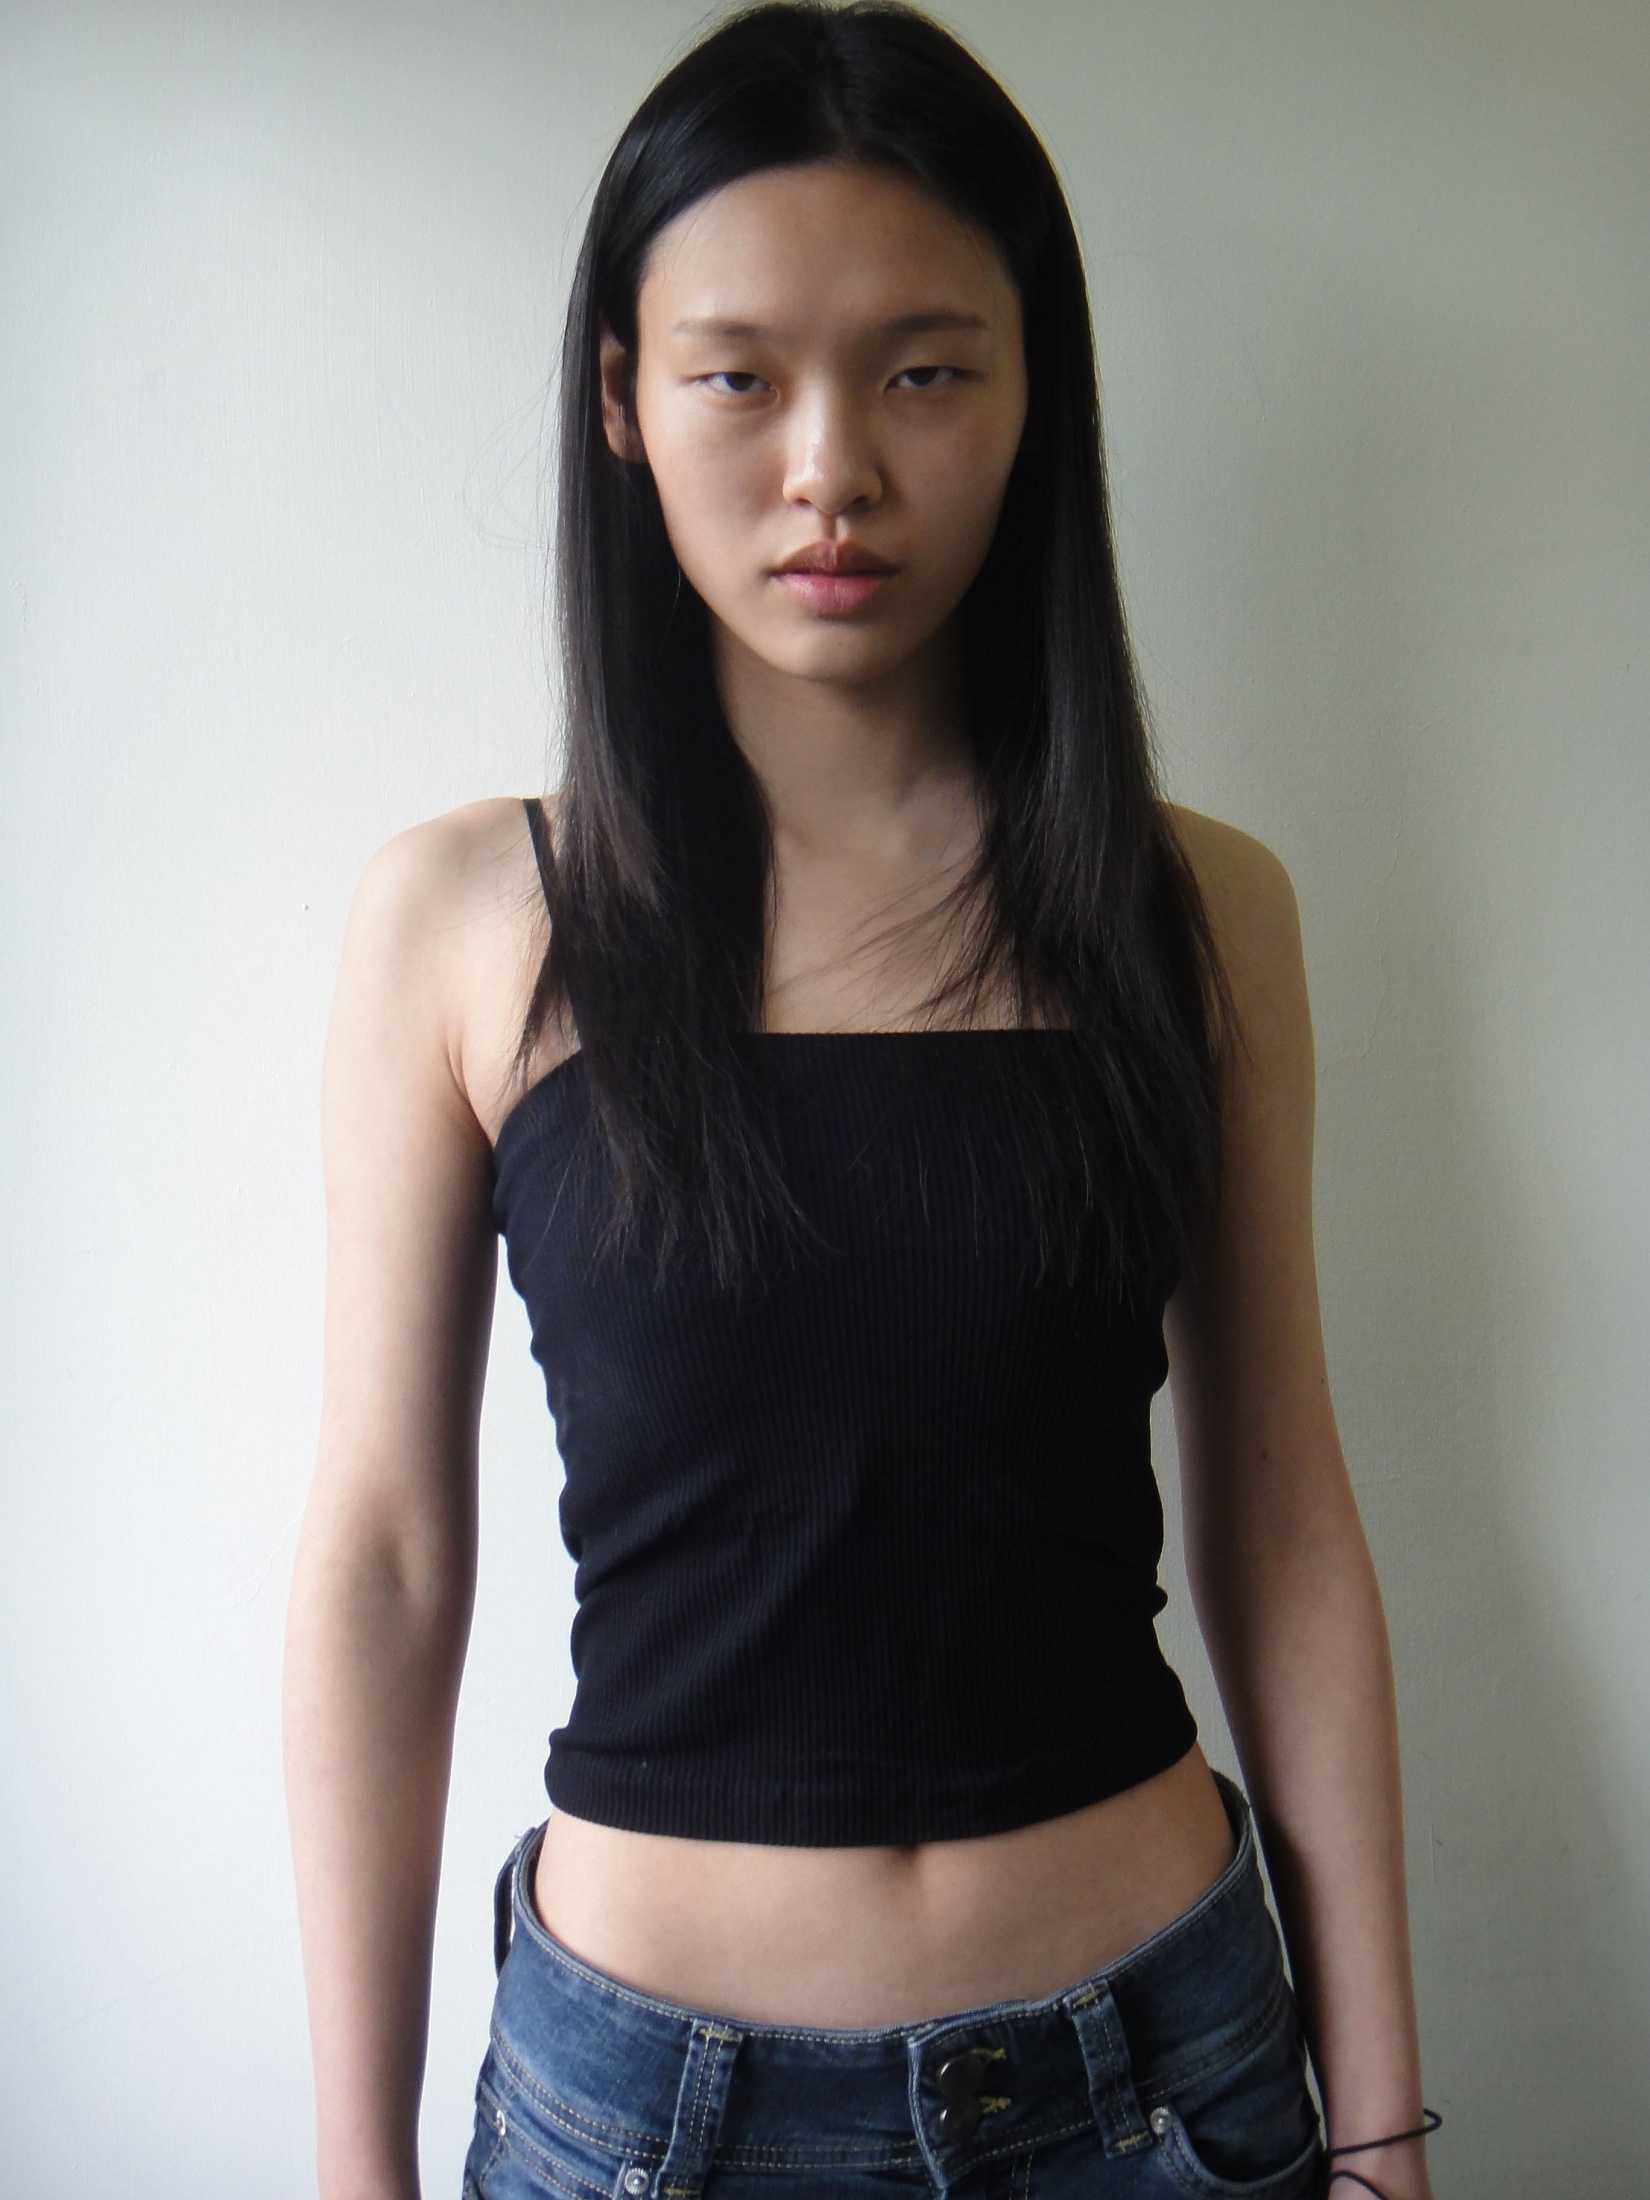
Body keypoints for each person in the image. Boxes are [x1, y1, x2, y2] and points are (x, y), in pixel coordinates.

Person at [282, 6, 1436, 2198]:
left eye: (923, 372)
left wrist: (1379, 2124)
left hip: (1159, 2089)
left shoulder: (1199, 911)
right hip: (641, 2122)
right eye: (739, 375)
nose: (832, 467)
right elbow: (385, 1561)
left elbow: (1282, 1511)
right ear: (619, 397)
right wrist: (357, 2168)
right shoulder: (464, 924)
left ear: (1032, 392)